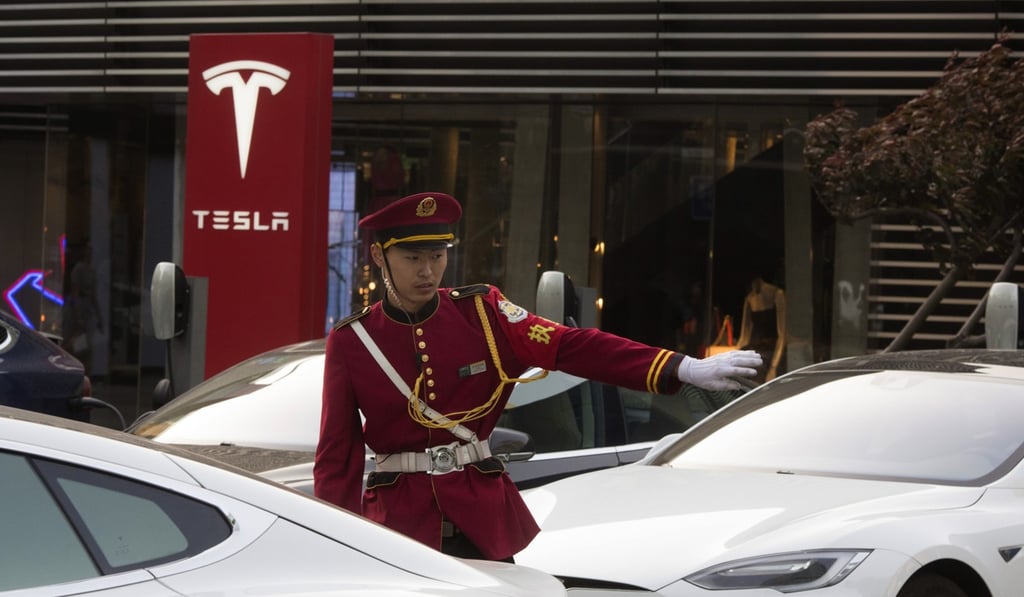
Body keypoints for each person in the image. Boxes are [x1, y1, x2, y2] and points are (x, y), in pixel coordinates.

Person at [313, 192, 762, 562]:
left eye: (437, 255)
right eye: (412, 257)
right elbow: (337, 459)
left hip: (482, 520)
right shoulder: (353, 341)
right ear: (379, 255)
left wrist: (680, 367)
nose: (428, 270)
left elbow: (570, 346)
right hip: (397, 525)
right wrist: (332, 548)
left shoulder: (484, 313)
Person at [735, 275, 786, 383]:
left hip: (772, 350)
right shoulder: (750, 298)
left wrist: (774, 367)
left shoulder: (777, 294)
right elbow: (744, 335)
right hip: (757, 350)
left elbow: (782, 334)